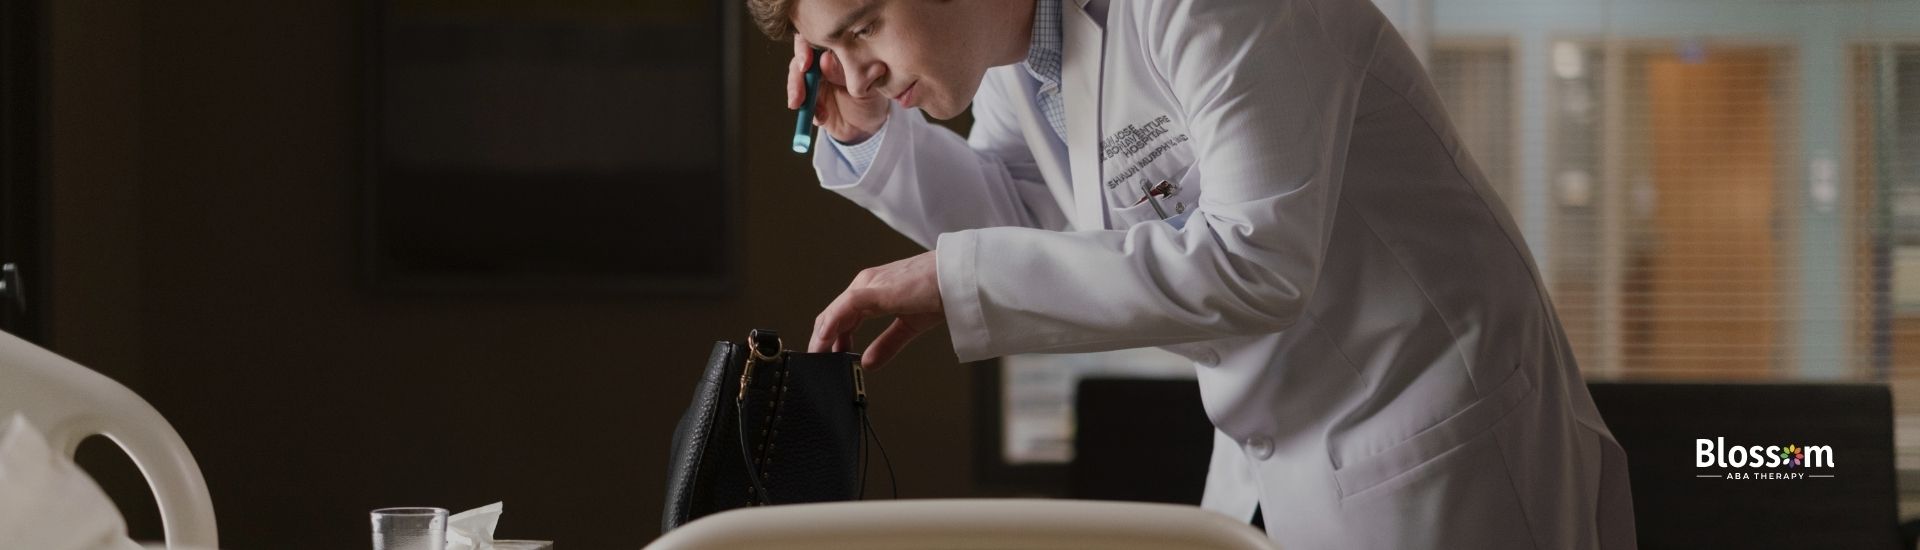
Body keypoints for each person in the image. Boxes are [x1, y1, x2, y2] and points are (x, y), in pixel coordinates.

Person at [753, 0, 1637, 547]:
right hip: (1277, 464)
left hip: (1434, 440)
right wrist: (868, 132)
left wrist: (956, 283)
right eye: (833, 47)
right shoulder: (1026, 59)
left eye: (864, 22)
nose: (856, 66)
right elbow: (1022, 224)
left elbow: (1258, 260)